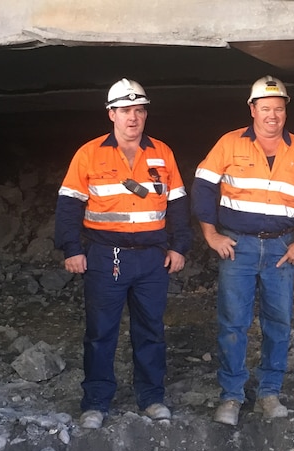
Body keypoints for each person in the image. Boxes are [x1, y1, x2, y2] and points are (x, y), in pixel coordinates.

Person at [54, 78, 192, 429]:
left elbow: (177, 204)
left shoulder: (162, 152)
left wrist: (179, 246)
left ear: (145, 114)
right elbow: (69, 205)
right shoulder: (89, 154)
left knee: (151, 330)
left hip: (151, 257)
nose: (133, 118)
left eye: (139, 111)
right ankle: (96, 402)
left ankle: (152, 397)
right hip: (105, 255)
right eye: (125, 111)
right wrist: (72, 249)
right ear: (111, 114)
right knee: (101, 332)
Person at [192, 75, 294, 426]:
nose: (272, 116)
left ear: (286, 112)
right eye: (265, 108)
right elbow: (203, 188)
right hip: (239, 246)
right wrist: (210, 234)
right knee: (233, 323)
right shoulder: (229, 143)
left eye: (278, 109)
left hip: (282, 247)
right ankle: (232, 396)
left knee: (278, 323)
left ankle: (269, 392)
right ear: (252, 109)